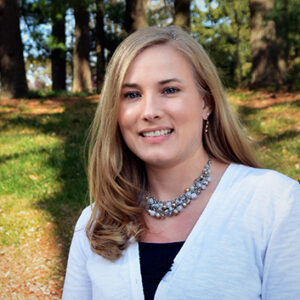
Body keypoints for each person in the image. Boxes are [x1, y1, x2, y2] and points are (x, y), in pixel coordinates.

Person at [62, 26, 300, 300]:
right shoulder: (95, 224)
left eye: (170, 90)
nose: (149, 111)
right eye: (132, 95)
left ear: (206, 103)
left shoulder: (276, 204)